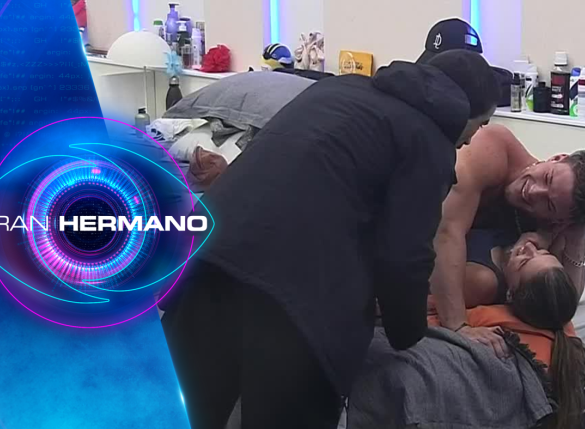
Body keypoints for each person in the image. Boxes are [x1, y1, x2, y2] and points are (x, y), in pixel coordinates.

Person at [159, 49, 500, 429]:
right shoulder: (429, 142)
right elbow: (404, 257)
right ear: (465, 111)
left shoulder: (337, 90)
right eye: (481, 125)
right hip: (296, 303)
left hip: (207, 260)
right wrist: (408, 332)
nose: (470, 141)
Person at [430, 124, 585, 356]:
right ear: (558, 158)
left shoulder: (550, 221)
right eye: (548, 178)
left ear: (560, 221)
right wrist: (457, 326)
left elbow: (563, 298)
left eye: (548, 204)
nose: (533, 191)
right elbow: (446, 231)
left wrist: (576, 236)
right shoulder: (492, 149)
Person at [427, 236, 585, 429]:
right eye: (544, 252)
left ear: (510, 293)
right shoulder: (559, 317)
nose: (530, 247)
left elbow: (424, 310)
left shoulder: (484, 307)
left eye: (524, 262)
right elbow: (569, 295)